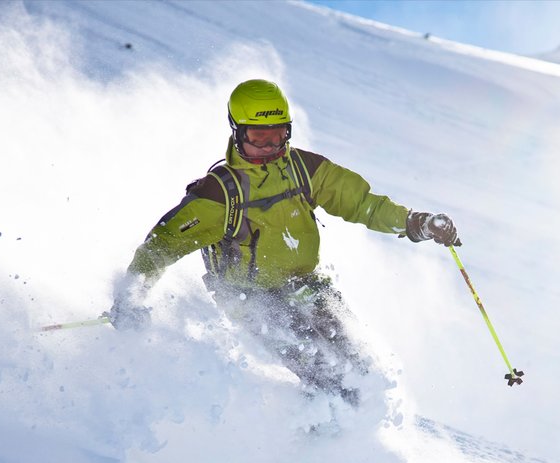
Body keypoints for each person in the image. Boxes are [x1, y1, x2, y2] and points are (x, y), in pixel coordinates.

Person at [110, 79, 459, 405]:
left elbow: (361, 203)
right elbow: (162, 246)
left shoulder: (303, 168)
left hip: (308, 285)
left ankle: (349, 438)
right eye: (259, 138)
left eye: (278, 136)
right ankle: (305, 448)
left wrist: (415, 222)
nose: (271, 147)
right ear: (237, 132)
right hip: (253, 300)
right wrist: (132, 296)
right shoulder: (218, 194)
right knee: (328, 380)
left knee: (363, 372)